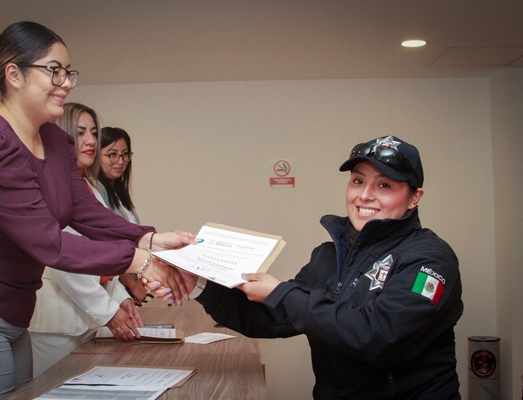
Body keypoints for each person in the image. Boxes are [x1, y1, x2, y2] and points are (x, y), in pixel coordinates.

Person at [0, 21, 194, 399]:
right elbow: (49, 244)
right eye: (54, 70)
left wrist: (148, 236)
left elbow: (82, 210)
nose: (65, 82)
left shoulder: (52, 138)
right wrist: (140, 260)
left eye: (68, 72)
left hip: (13, 311)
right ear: (14, 74)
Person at [155, 136, 464, 399]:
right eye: (358, 180)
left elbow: (381, 336)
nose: (364, 195)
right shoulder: (329, 256)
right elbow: (271, 318)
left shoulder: (430, 260)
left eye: (384, 185)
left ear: (414, 198)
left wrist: (282, 293)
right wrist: (199, 284)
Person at [29, 103, 145, 377]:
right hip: (58, 324)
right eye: (80, 133)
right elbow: (63, 262)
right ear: (61, 136)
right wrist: (108, 310)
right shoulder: (47, 185)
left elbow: (105, 249)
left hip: (90, 317)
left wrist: (119, 297)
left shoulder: (92, 187)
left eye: (93, 132)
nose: (91, 140)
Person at [96, 126, 149, 304]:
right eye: (112, 154)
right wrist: (133, 285)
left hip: (128, 289)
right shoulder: (95, 191)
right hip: (114, 289)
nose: (120, 161)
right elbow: (108, 246)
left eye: (125, 154)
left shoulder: (119, 193)